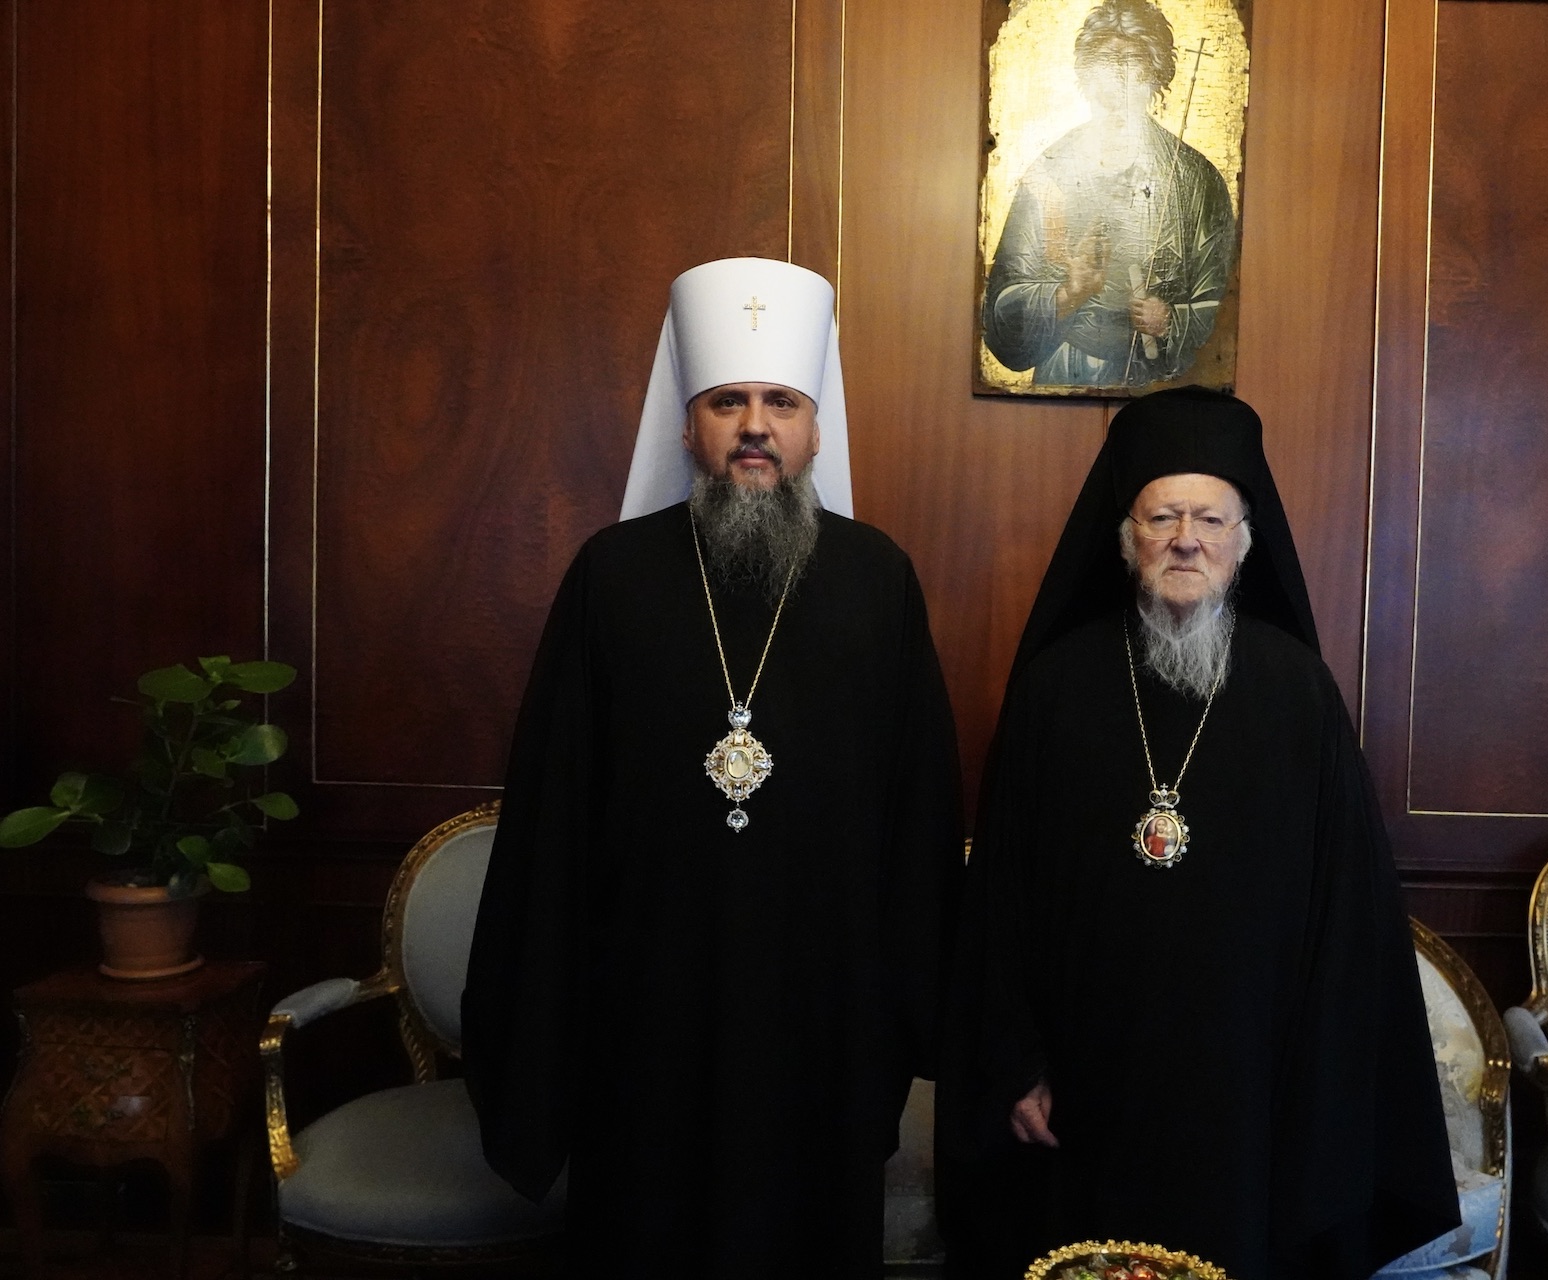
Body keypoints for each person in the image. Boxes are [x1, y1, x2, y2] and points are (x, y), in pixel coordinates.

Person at [463, 257, 965, 1275]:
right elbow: (556, 810)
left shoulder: (877, 578)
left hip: (823, 1005)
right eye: (727, 401)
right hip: (647, 1000)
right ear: (687, 427)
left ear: (815, 429)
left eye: (781, 402)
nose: (755, 427)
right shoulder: (612, 575)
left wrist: (910, 1007)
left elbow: (917, 814)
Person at [938, 388, 1459, 1279]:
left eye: (1211, 519)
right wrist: (1016, 1063)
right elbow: (1001, 902)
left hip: (1252, 1095)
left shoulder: (1299, 694)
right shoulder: (1055, 690)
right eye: (1163, 516)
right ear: (1126, 537)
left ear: (1244, 540)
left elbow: (1348, 921)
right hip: (1086, 1090)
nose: (1187, 539)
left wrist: (1318, 1092)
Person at [981, 0, 1237, 388]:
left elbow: (1224, 305)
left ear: (1155, 71)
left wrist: (1170, 320)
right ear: (1086, 72)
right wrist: (1068, 294)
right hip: (1064, 373)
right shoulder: (1050, 173)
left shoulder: (1195, 179)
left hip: (1158, 388)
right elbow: (1001, 307)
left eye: (1131, 60)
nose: (1117, 77)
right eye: (1105, 60)